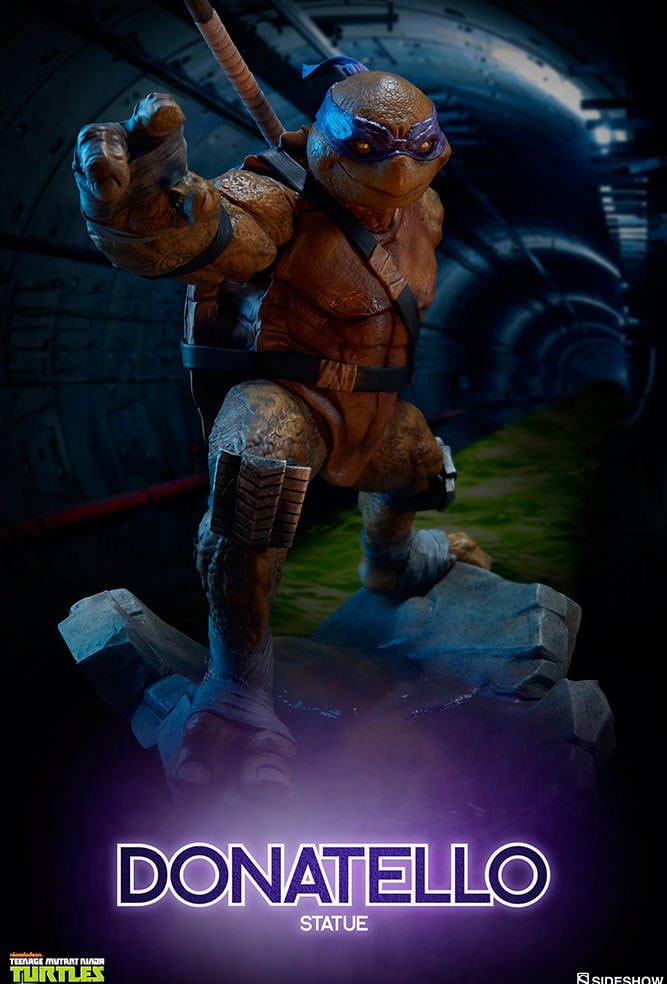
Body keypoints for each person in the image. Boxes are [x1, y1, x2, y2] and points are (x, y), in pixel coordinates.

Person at [73, 62, 490, 799]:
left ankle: (389, 560)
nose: (396, 170)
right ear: (324, 142)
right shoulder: (275, 196)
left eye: (418, 147)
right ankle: (237, 688)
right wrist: (139, 206)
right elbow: (207, 234)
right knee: (256, 467)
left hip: (374, 410)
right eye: (367, 148)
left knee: (424, 468)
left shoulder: (423, 213)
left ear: (438, 147)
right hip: (288, 398)